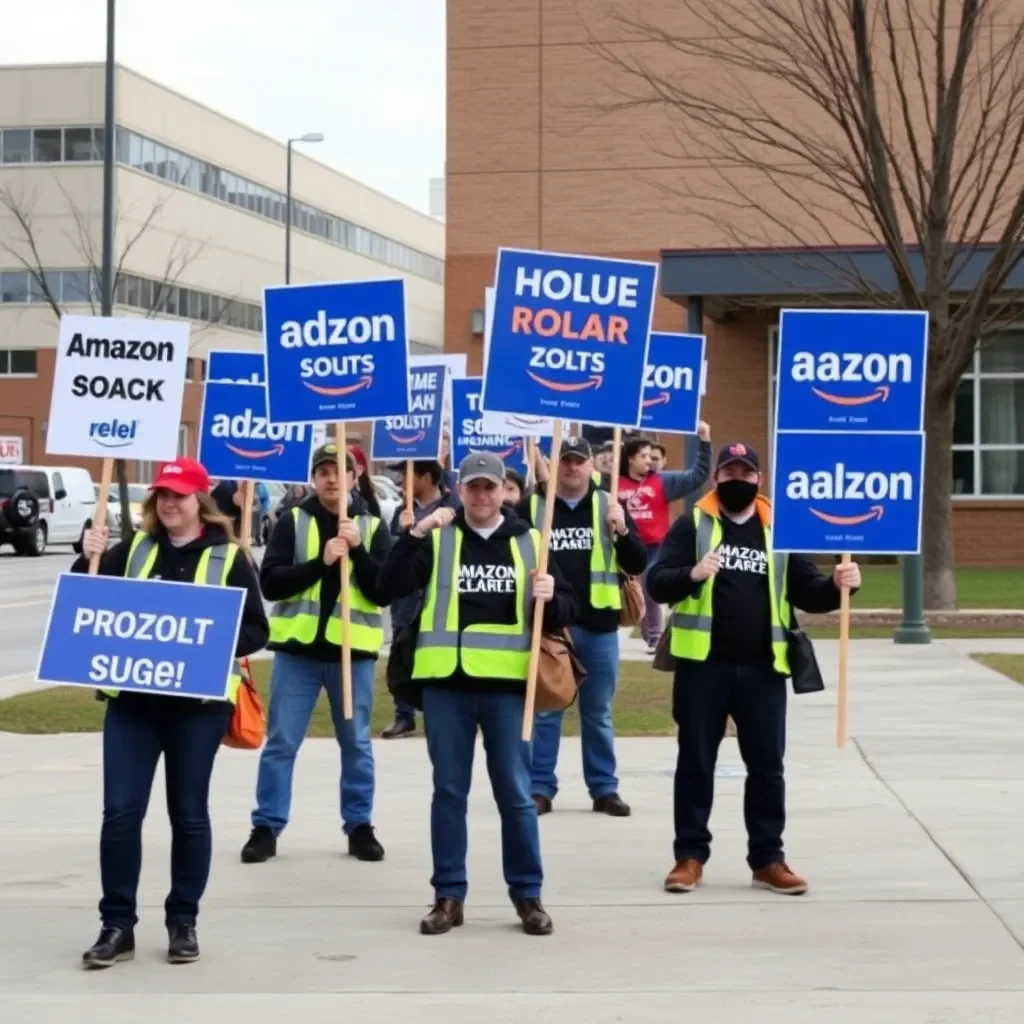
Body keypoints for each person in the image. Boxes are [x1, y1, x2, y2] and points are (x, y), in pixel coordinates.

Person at [75, 457, 269, 969]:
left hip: (197, 709)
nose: (168, 502)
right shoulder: (134, 548)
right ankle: (117, 924)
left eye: (178, 495)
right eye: (162, 493)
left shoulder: (229, 556)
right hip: (133, 705)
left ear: (199, 502)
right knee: (120, 813)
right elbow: (86, 604)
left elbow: (256, 632)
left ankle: (183, 921)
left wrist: (200, 636)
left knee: (188, 814)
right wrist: (85, 559)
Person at [376, 452, 578, 937]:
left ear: (504, 491)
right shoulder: (438, 537)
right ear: (459, 491)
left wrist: (552, 596)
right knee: (449, 792)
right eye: (474, 487)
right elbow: (386, 587)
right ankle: (449, 895)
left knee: (514, 792)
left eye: (491, 487)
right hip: (447, 683)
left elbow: (568, 609)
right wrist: (414, 534)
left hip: (508, 687)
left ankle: (528, 895)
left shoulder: (533, 540)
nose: (483, 495)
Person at [646, 442, 862, 897]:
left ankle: (768, 859)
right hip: (703, 668)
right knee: (695, 763)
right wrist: (693, 575)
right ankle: (689, 857)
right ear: (715, 479)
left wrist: (840, 586)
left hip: (764, 670)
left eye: (746, 473)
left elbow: (808, 591)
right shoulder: (694, 524)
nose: (738, 480)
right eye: (729, 473)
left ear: (759, 480)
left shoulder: (781, 529)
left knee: (767, 767)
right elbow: (657, 583)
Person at [241, 443, 392, 864]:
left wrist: (358, 551)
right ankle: (266, 826)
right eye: (323, 470)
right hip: (299, 653)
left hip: (352, 653)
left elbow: (383, 590)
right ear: (314, 478)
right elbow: (270, 583)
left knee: (356, 744)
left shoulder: (373, 526)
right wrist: (321, 563)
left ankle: (359, 825)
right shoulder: (292, 521)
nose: (330, 478)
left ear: (352, 475)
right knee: (282, 742)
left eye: (339, 470)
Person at [516, 437, 647, 816]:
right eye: (565, 461)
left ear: (593, 464)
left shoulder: (609, 504)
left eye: (578, 461)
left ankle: (604, 789)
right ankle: (540, 788)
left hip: (600, 626)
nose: (572, 468)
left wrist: (621, 529)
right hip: (553, 626)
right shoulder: (533, 506)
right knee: (545, 711)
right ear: (554, 465)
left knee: (598, 712)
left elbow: (637, 561)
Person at [381, 459, 461, 739]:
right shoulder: (402, 511)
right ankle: (403, 715)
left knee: (438, 653)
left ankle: (440, 714)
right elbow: (391, 555)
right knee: (403, 654)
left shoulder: (455, 507)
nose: (402, 481)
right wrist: (405, 533)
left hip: (441, 596)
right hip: (406, 598)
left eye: (407, 474)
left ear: (427, 477)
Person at [617, 427, 713, 654]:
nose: (649, 461)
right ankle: (645, 631)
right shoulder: (614, 483)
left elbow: (698, 475)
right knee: (634, 592)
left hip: (655, 548)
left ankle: (655, 637)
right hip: (627, 547)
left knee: (649, 589)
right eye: (644, 456)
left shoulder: (663, 482)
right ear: (630, 458)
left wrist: (704, 440)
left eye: (652, 457)